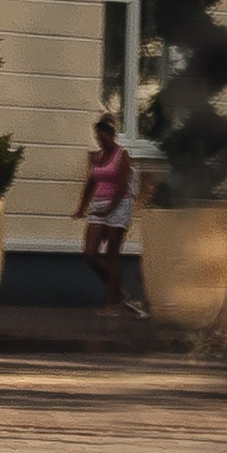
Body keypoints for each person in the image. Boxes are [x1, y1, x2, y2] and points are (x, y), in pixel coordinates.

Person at [75, 113, 143, 314]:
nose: (100, 140)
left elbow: (122, 186)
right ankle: (117, 290)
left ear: (111, 134)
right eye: (97, 137)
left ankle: (112, 304)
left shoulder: (122, 155)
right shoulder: (98, 156)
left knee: (112, 253)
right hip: (99, 205)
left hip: (119, 206)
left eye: (103, 137)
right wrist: (81, 207)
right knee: (89, 254)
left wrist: (111, 209)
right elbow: (92, 182)